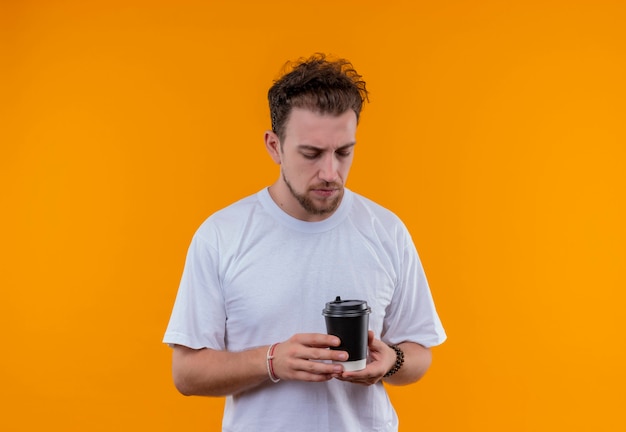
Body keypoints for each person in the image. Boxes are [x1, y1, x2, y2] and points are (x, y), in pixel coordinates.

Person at [163, 53, 446, 431]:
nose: (330, 173)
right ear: (274, 146)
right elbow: (186, 373)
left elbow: (419, 354)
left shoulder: (386, 230)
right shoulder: (221, 235)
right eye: (311, 154)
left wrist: (390, 361)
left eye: (344, 152)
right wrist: (272, 361)